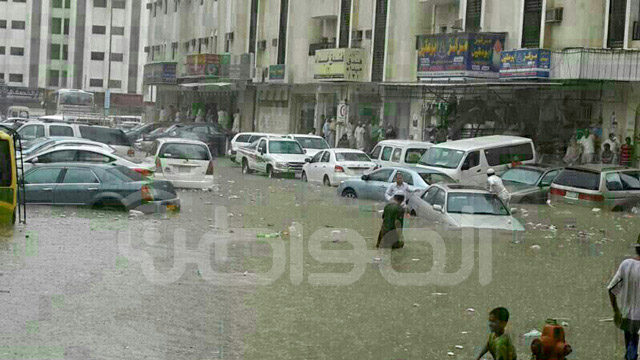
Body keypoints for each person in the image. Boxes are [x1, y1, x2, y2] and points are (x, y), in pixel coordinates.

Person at [608, 234, 640, 360]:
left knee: (630, 347)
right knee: (633, 351)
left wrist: (616, 311)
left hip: (627, 317)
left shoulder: (626, 265)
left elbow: (611, 289)